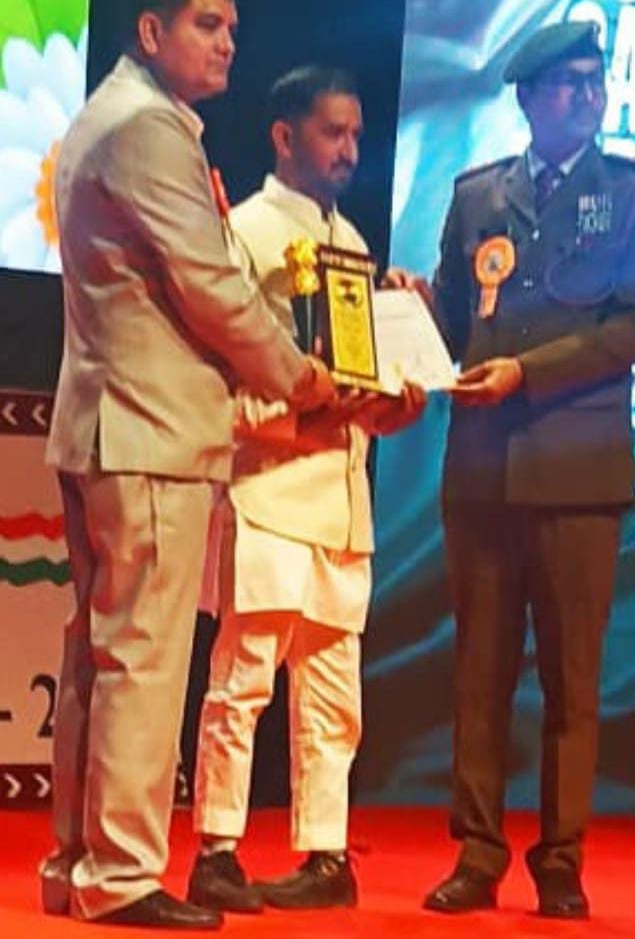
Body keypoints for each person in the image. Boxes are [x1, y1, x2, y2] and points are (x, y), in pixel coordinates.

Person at [39, 0, 335, 931]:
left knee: (101, 657)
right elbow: (212, 289)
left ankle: (78, 862)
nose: (228, 44)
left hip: (109, 424)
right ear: (151, 31)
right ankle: (122, 873)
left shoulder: (106, 117)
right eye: (208, 25)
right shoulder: (148, 128)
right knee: (141, 660)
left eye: (233, 29)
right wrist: (302, 381)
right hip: (150, 430)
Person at [392, 21, 635, 919]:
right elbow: (454, 328)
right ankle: (477, 854)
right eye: (567, 83)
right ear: (526, 98)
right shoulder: (479, 195)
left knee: (569, 682)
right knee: (477, 675)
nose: (587, 96)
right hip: (481, 470)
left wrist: (526, 373)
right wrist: (411, 311)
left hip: (579, 476)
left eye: (596, 81)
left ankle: (560, 860)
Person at [186, 65, 425, 914]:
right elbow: (219, 378)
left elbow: (360, 381)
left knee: (333, 694)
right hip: (268, 489)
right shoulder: (243, 234)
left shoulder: (352, 243)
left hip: (341, 499)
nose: (350, 149)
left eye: (356, 134)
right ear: (285, 137)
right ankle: (217, 847)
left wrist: (397, 396)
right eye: (333, 132)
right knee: (243, 680)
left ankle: (327, 852)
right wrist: (304, 418)